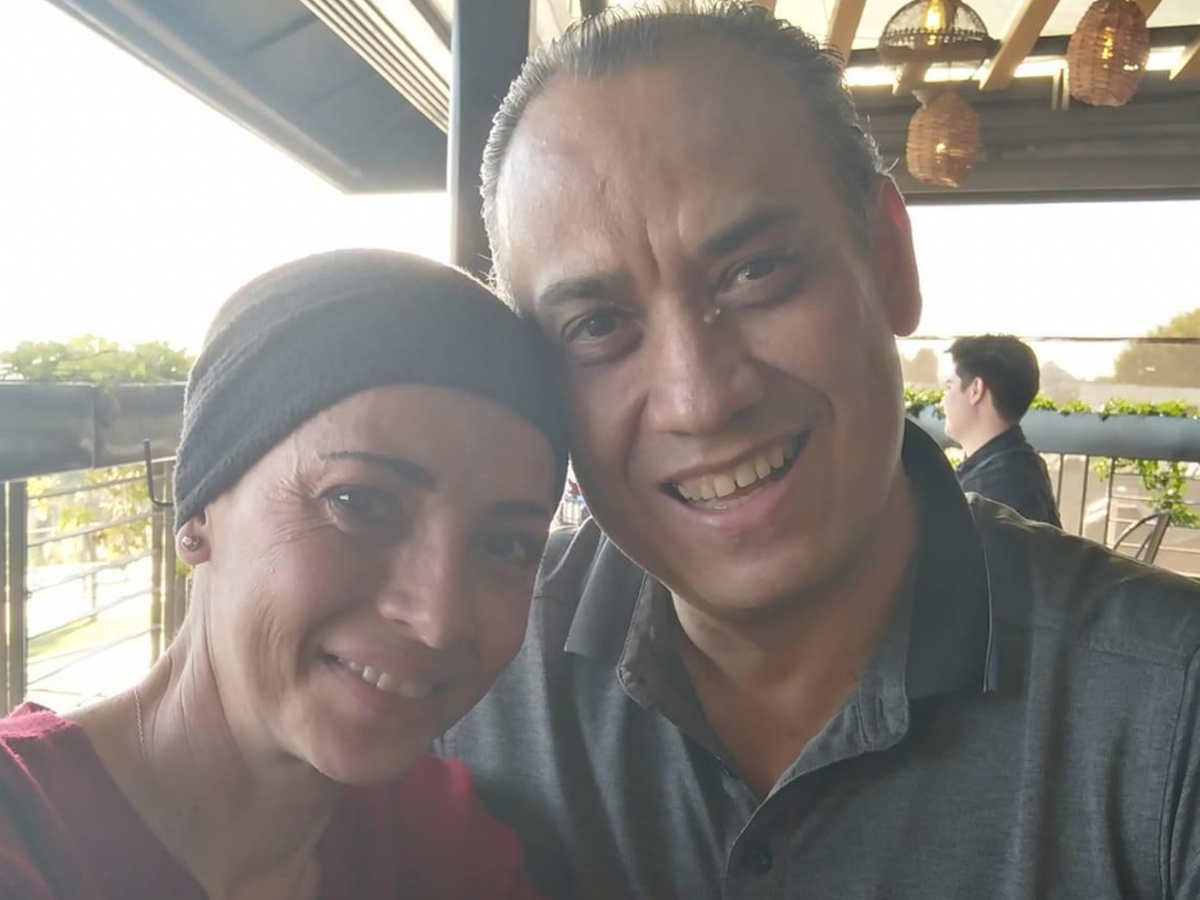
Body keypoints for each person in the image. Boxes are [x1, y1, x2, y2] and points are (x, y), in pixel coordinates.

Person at [440, 5, 1200, 899]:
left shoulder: (1169, 711)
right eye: (598, 325)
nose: (700, 397)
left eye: (755, 271)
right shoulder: (455, 669)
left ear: (887, 260)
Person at [0, 249, 568, 900]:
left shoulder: (448, 840)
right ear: (199, 510)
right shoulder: (25, 831)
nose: (437, 619)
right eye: (359, 502)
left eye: (506, 545)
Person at [942, 334, 1062, 527]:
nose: (943, 401)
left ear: (976, 390)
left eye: (949, 386)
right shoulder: (1021, 469)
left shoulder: (990, 490)